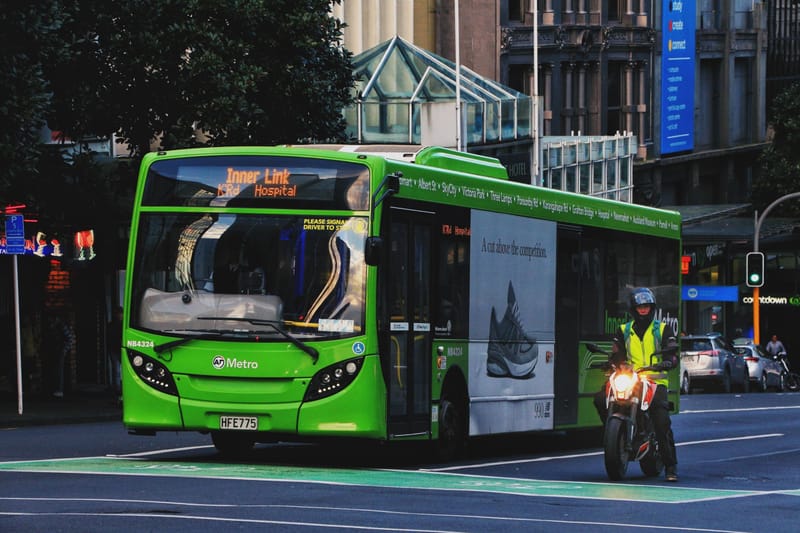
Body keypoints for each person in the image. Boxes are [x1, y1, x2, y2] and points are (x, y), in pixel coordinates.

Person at [593, 287, 679, 482]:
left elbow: (671, 353)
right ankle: (612, 435)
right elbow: (617, 352)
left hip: (654, 380)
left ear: (652, 308)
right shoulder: (624, 330)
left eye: (646, 306)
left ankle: (671, 466)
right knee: (600, 398)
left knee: (661, 420)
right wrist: (613, 362)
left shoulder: (663, 329)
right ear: (633, 309)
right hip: (630, 377)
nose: (643, 310)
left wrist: (668, 361)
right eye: (640, 307)